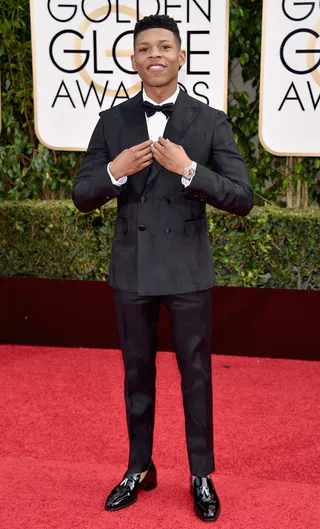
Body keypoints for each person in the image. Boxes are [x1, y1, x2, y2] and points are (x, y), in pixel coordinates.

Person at [72, 14, 253, 522]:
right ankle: (139, 466)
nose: (155, 54)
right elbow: (82, 194)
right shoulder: (113, 122)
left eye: (165, 46)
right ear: (133, 59)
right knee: (136, 373)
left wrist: (190, 170)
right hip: (132, 267)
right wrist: (114, 172)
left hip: (188, 269)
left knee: (195, 374)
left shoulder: (209, 120)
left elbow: (242, 198)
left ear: (181, 57)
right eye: (144, 47)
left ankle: (201, 473)